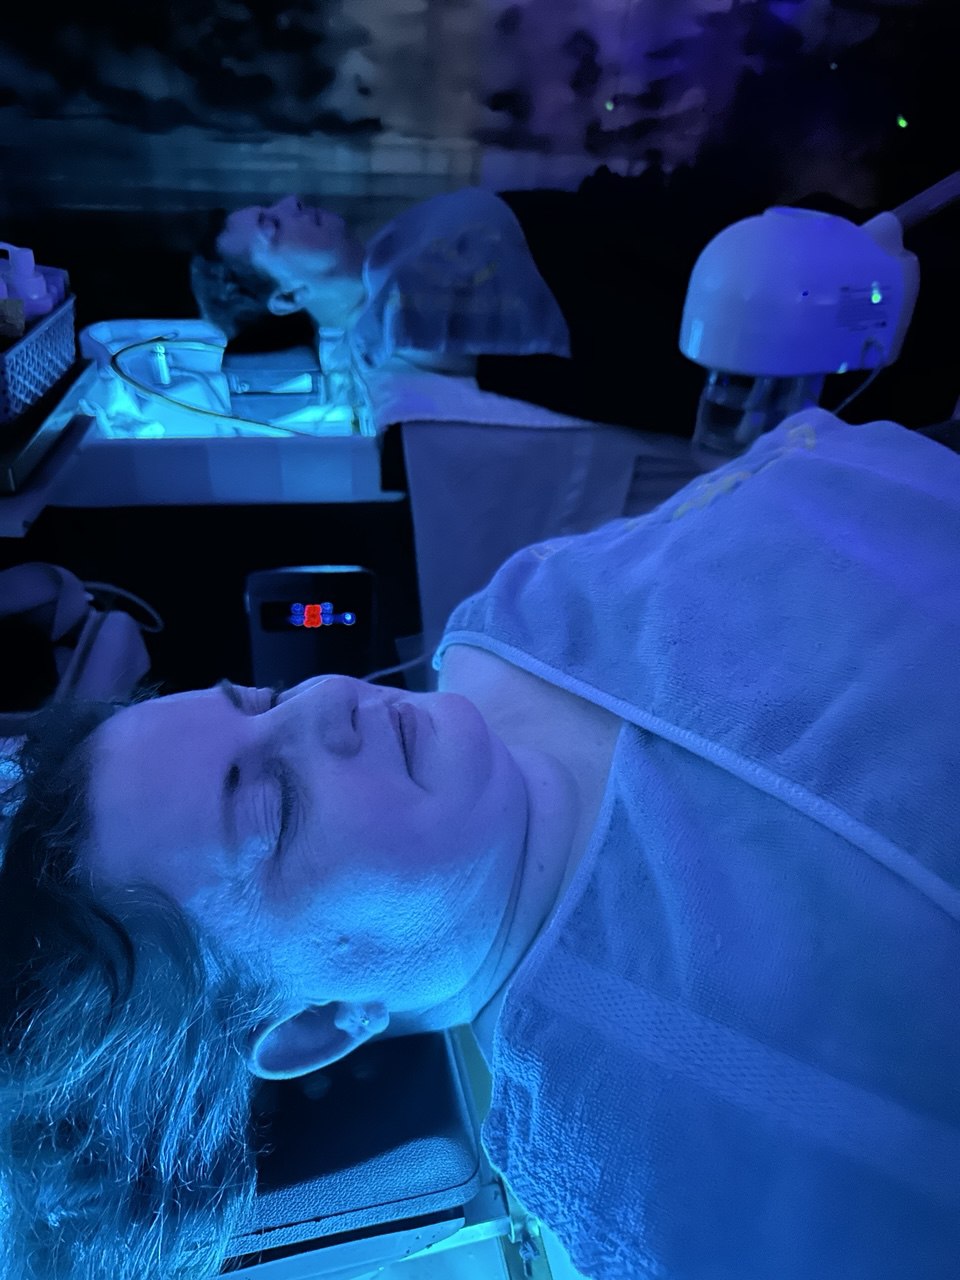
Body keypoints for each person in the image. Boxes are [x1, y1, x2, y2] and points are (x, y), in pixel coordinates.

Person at [2, 406, 960, 1280]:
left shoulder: (508, 621)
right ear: (318, 1021)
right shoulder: (673, 1173)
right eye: (275, 807)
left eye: (262, 700)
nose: (328, 699)